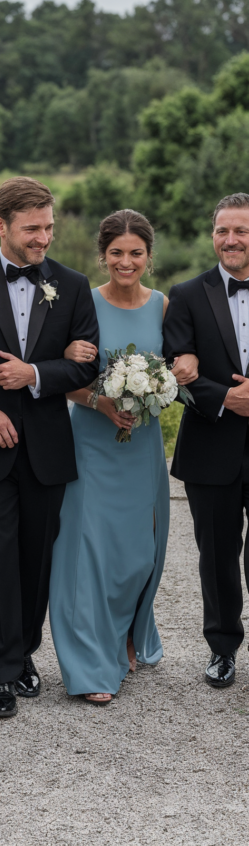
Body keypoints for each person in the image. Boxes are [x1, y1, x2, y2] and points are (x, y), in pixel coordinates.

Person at [0, 176, 100, 720]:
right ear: (0, 225)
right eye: (32, 229)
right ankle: (3, 672)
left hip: (48, 448)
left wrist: (34, 372)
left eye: (49, 227)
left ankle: (26, 648)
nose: (43, 238)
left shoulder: (73, 285)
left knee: (36, 559)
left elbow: (86, 364)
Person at [49, 210, 198, 704]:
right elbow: (65, 382)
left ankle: (131, 631)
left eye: (135, 253)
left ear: (149, 258)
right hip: (90, 444)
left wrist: (164, 384)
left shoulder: (163, 306)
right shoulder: (81, 303)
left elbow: (178, 373)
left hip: (142, 449)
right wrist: (102, 402)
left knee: (138, 553)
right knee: (89, 551)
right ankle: (91, 664)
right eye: (116, 253)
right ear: (102, 255)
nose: (125, 262)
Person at [163, 192, 249, 689]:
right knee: (216, 555)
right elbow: (175, 371)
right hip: (211, 446)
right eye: (223, 231)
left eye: (240, 231)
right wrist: (225, 399)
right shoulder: (187, 294)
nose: (231, 240)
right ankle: (222, 649)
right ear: (213, 235)